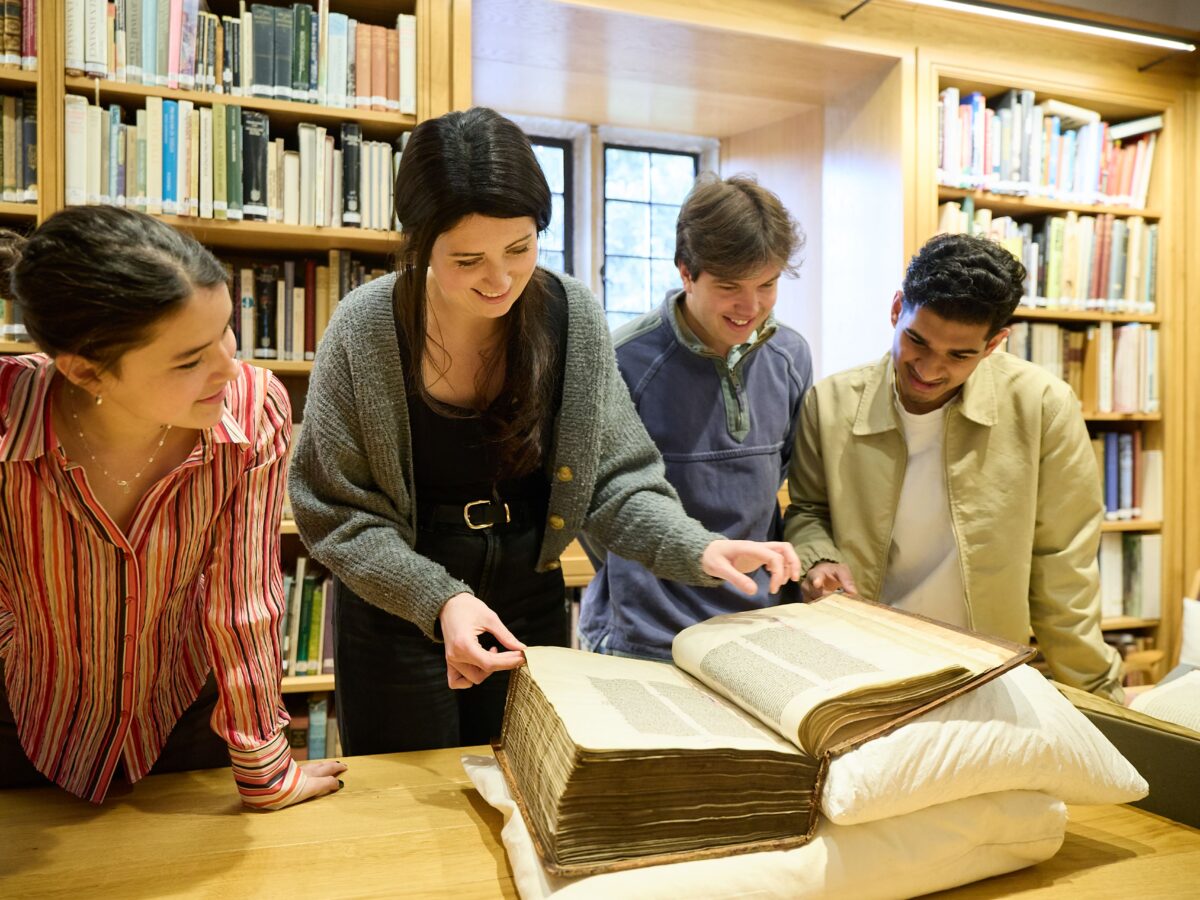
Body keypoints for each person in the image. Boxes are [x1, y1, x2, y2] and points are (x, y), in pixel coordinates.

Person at [288, 107, 800, 755]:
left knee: (529, 788)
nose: (499, 278)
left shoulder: (568, 317)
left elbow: (614, 480)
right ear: (418, 245)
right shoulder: (367, 329)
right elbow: (334, 512)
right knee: (412, 809)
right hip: (399, 611)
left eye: (520, 248)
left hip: (529, 600)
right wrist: (440, 600)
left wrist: (697, 547)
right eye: (467, 258)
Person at [0, 207, 345, 807]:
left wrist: (266, 767)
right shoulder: (8, 414)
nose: (228, 367)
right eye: (190, 360)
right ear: (85, 370)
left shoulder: (254, 407)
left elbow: (244, 599)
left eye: (226, 332)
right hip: (29, 713)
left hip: (183, 713)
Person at [784, 231, 1123, 701]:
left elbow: (1063, 563)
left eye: (959, 355)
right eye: (916, 341)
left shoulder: (1042, 405)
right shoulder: (831, 403)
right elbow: (807, 510)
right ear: (896, 307)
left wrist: (1095, 695)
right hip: (861, 659)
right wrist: (817, 558)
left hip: (983, 665)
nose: (928, 368)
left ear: (994, 343)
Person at [578, 174, 813, 660]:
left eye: (767, 285)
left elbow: (784, 480)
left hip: (756, 626)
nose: (751, 307)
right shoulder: (622, 361)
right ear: (686, 272)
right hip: (647, 635)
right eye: (729, 287)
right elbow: (596, 503)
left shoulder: (791, 355)